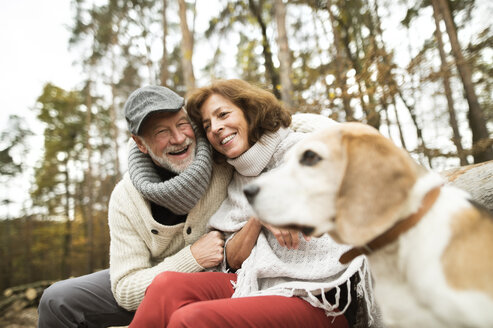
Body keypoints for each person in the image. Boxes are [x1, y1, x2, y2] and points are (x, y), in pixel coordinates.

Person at [129, 79, 378, 328]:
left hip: (321, 298)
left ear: (249, 111)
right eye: (207, 125)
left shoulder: (307, 150)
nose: (216, 127)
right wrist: (258, 217)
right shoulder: (237, 176)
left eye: (223, 114)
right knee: (166, 286)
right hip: (256, 282)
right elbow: (234, 261)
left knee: (191, 320)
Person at [37, 85, 233, 327]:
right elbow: (126, 288)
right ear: (140, 144)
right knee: (58, 300)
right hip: (152, 281)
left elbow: (274, 129)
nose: (179, 138)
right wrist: (191, 259)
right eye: (162, 131)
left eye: (182, 124)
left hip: (221, 278)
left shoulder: (220, 153)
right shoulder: (125, 197)